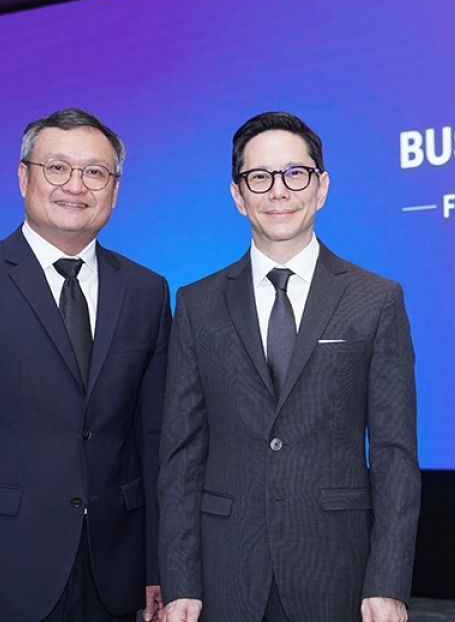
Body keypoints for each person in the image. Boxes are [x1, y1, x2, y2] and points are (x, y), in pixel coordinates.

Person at [0, 108, 170, 622]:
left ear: (115, 190)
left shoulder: (146, 290)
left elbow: (155, 439)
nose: (76, 185)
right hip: (4, 574)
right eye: (57, 167)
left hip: (116, 575)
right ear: (24, 177)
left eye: (95, 172)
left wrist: (159, 566)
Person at [158, 112, 420, 622]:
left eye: (295, 174)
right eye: (260, 177)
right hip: (225, 573)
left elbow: (395, 456)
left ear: (321, 187)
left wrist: (388, 580)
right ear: (238, 195)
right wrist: (179, 581)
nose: (279, 191)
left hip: (337, 571)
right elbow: (181, 457)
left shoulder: (376, 299)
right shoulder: (197, 304)